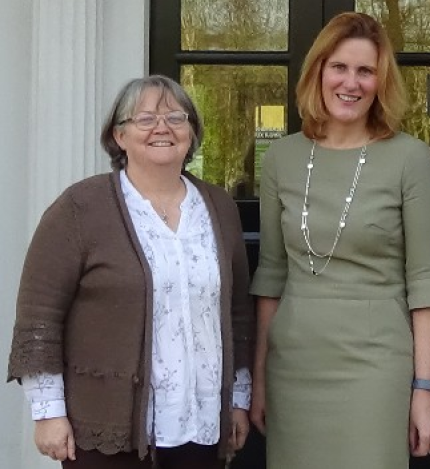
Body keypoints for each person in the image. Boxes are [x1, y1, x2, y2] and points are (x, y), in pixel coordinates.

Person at [7, 76, 253, 468]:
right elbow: (40, 315)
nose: (162, 127)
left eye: (176, 117)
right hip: (107, 428)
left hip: (201, 422)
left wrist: (238, 400)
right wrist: (48, 412)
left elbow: (237, 312)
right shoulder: (81, 208)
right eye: (145, 119)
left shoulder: (218, 208)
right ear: (119, 136)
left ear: (191, 132)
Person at [249, 11, 430, 468]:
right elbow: (270, 276)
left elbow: (426, 282)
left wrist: (424, 389)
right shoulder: (281, 158)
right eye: (339, 67)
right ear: (318, 72)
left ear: (381, 82)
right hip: (294, 366)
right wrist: (259, 379)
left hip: (375, 367)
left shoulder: (410, 159)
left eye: (366, 71)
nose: (351, 82)